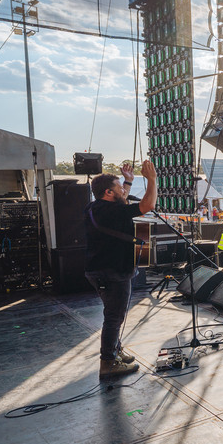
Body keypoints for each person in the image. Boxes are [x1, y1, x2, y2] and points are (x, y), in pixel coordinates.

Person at [84, 160, 157, 379]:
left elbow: (122, 198)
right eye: (119, 188)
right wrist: (151, 180)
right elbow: (148, 206)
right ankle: (108, 362)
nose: (123, 192)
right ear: (108, 192)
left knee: (114, 315)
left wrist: (128, 180)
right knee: (114, 317)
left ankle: (114, 351)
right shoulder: (114, 211)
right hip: (111, 272)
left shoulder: (96, 206)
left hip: (100, 270)